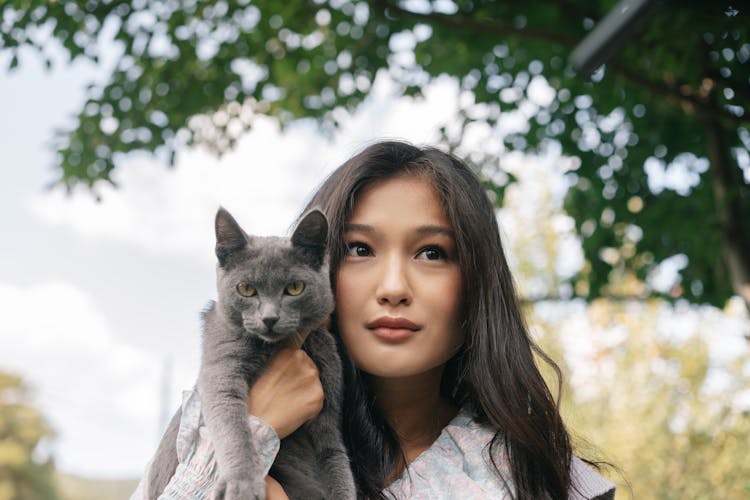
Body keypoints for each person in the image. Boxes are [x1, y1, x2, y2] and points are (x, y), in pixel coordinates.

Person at [132, 141, 615, 499]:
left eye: (431, 252)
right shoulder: (209, 420)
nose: (393, 288)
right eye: (359, 249)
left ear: (476, 283)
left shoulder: (535, 478)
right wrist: (256, 430)